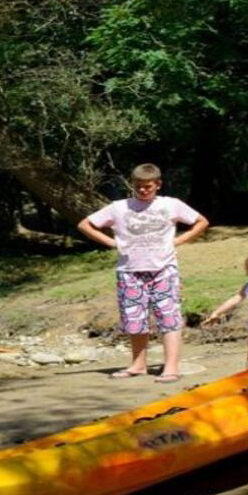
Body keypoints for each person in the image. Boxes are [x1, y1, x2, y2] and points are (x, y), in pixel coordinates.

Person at [78, 163, 209, 383]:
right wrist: (112, 242)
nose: (143, 190)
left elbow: (201, 222)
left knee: (169, 318)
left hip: (163, 269)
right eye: (138, 186)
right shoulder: (119, 207)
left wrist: (178, 241)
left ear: (157, 184)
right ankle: (138, 365)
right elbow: (85, 224)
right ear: (132, 185)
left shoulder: (171, 204)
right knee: (134, 319)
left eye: (147, 186)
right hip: (129, 271)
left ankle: (171, 367)